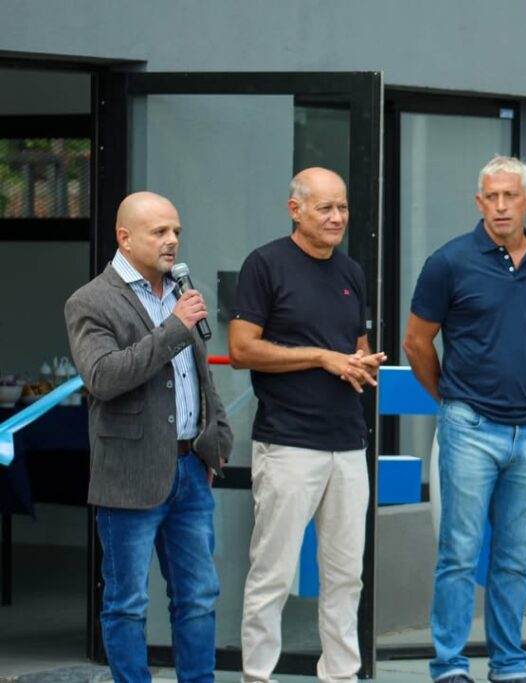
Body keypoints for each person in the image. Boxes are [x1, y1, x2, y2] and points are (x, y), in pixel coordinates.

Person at [403, 156, 526, 683]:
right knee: (459, 555)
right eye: (491, 197)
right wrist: (451, 397)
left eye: (510, 196)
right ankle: (449, 666)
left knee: (516, 559)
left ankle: (509, 665)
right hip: (469, 428)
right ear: (479, 202)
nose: (500, 206)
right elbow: (416, 342)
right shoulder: (448, 262)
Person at [65, 191, 233, 683]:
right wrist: (174, 328)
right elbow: (104, 377)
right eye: (159, 231)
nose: (172, 240)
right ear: (125, 237)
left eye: (176, 230)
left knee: (198, 596)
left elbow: (200, 376)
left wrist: (216, 441)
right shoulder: (91, 301)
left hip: (190, 471)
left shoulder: (181, 291)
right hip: (129, 477)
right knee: (127, 603)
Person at [230, 167, 386, 683]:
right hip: (288, 444)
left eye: (343, 207)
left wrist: (361, 362)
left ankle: (341, 676)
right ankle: (257, 677)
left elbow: (355, 346)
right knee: (272, 574)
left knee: (346, 577)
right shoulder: (266, 264)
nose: (338, 217)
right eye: (325, 208)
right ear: (295, 210)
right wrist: (321, 356)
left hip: (348, 443)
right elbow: (242, 349)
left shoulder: (351, 272)